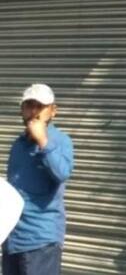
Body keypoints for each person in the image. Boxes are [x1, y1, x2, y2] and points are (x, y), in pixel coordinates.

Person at [2, 84, 74, 275]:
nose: (34, 111)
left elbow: (62, 173)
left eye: (40, 106)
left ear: (53, 111)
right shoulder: (18, 145)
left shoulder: (61, 141)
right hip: (13, 238)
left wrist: (43, 141)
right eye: (29, 105)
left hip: (41, 240)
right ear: (21, 110)